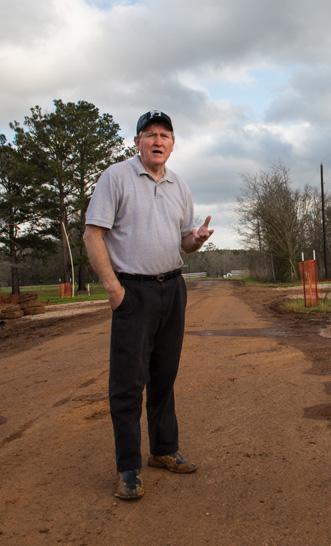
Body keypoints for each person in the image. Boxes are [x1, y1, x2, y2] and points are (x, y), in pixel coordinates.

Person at [84, 110, 213, 500]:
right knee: (127, 383)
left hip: (172, 288)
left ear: (173, 144)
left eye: (165, 135)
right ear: (137, 141)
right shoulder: (116, 177)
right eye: (150, 134)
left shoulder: (179, 186)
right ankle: (128, 469)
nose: (158, 141)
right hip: (133, 292)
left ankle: (163, 450)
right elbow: (93, 235)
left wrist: (197, 240)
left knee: (164, 375)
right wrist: (113, 289)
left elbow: (183, 243)